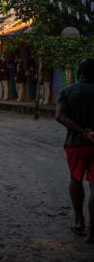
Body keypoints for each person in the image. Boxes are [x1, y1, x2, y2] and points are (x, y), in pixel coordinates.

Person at [55, 58, 94, 242]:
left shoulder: (68, 91)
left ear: (80, 73)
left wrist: (81, 131)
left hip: (75, 144)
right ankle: (93, 231)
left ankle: (79, 220)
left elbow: (59, 116)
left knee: (76, 179)